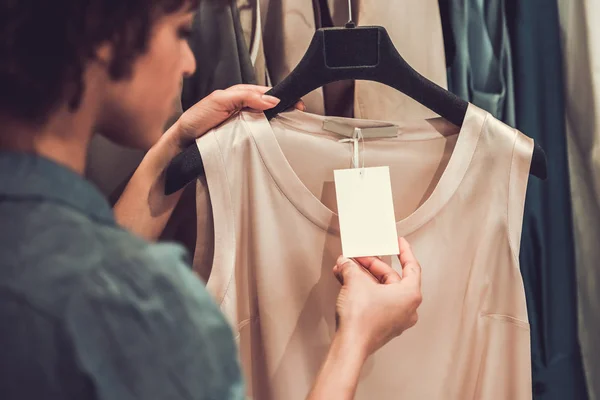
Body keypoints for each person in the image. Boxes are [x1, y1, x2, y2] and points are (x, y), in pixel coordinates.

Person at [0, 1, 423, 399]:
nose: (189, 63)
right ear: (106, 35)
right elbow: (97, 287)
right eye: (181, 31)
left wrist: (176, 143)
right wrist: (355, 340)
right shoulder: (138, 303)